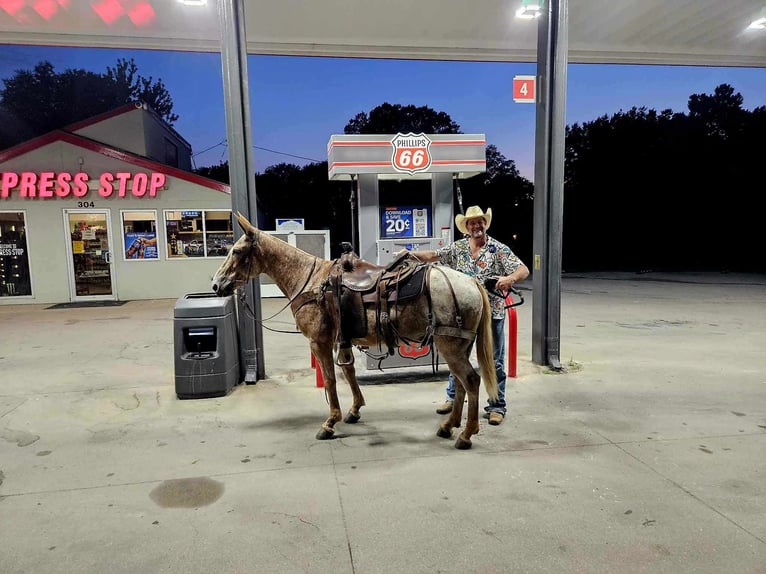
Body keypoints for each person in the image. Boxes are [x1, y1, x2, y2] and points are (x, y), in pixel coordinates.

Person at [402, 205, 529, 426]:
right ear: (466, 227)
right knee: (457, 357)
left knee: (495, 361)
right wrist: (409, 254)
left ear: (484, 224)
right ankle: (453, 398)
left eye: (479, 222)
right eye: (472, 223)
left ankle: (496, 406)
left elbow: (523, 270)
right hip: (463, 316)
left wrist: (510, 279)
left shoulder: (498, 249)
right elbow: (434, 255)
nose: (476, 226)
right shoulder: (458, 248)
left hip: (492, 313)